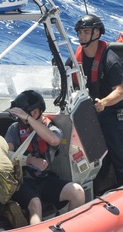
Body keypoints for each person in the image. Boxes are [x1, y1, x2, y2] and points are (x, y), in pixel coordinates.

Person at [73, 14, 123, 187]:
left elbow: (120, 92)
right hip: (86, 116)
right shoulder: (74, 59)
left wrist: (103, 103)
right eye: (80, 32)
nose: (82, 36)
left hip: (111, 115)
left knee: (121, 158)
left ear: (97, 33)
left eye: (86, 32)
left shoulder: (110, 60)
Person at [5, 90, 85, 224]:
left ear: (35, 112)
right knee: (36, 204)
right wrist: (29, 160)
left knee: (77, 192)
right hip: (22, 181)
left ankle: (70, 231)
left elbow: (54, 140)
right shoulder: (14, 129)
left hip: (44, 179)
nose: (20, 120)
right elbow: (6, 154)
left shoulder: (52, 129)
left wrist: (28, 120)